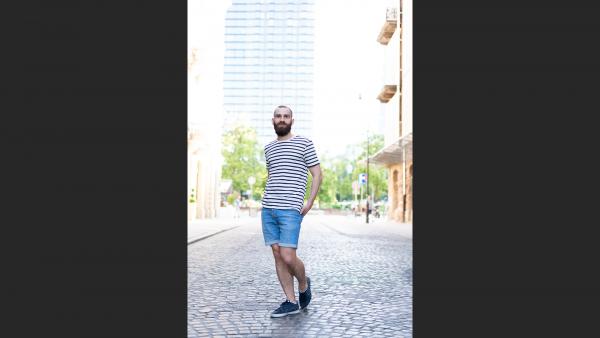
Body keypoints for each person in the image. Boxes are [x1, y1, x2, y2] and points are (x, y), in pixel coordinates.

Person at [261, 105, 323, 318]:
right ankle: (290, 301)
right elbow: (273, 175)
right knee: (278, 255)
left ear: (292, 120)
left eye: (286, 116)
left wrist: (310, 201)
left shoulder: (304, 143)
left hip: (290, 209)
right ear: (273, 121)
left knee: (288, 256)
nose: (282, 119)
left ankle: (304, 283)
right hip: (268, 208)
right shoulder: (268, 148)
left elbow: (317, 174)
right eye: (278, 116)